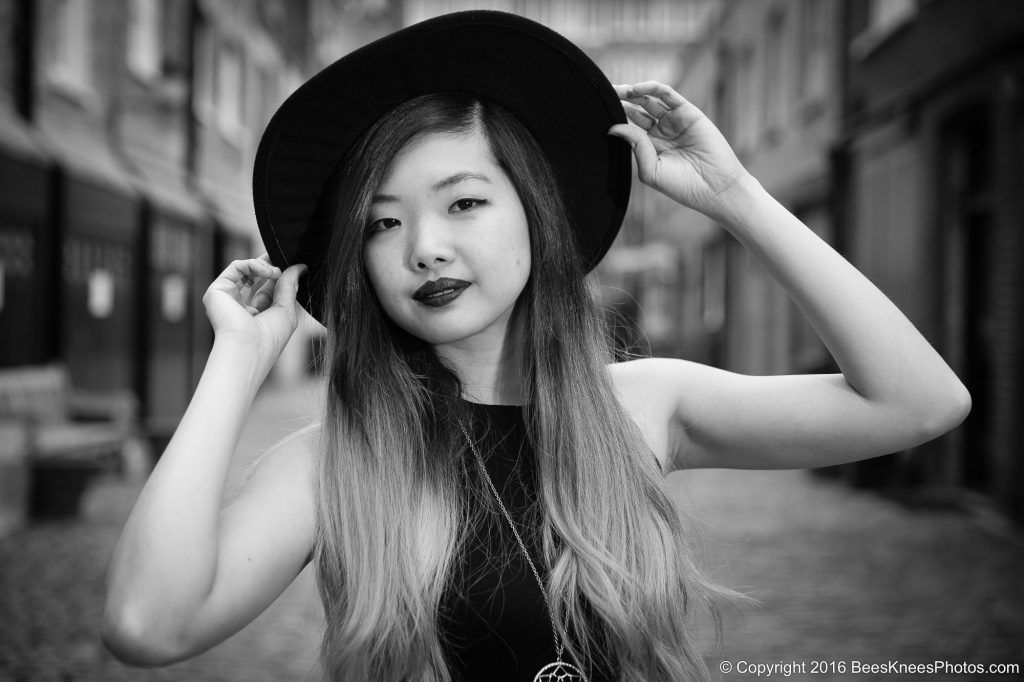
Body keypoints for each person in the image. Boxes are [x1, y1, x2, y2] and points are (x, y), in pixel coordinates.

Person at [101, 10, 971, 682]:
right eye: (383, 223)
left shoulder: (644, 406)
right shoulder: (333, 461)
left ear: (535, 209)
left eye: (465, 202)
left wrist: (737, 197)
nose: (425, 247)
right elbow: (148, 623)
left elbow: (920, 402)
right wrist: (235, 363)